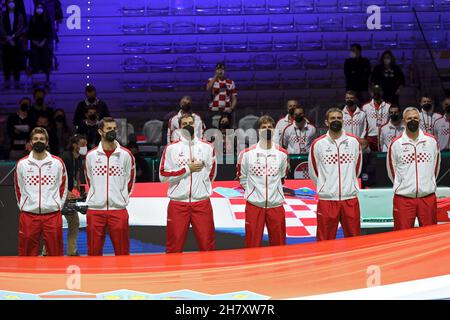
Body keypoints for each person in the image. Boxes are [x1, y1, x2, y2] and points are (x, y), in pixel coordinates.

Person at [159, 114, 217, 253]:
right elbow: (163, 175)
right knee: (174, 247)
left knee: (207, 245)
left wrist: (202, 187)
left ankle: (209, 274)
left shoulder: (207, 147)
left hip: (201, 203)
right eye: (185, 123)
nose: (188, 125)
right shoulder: (171, 148)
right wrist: (187, 170)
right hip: (178, 204)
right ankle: (173, 273)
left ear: (196, 124)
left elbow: (211, 173)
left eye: (191, 122)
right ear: (180, 127)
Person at [308, 108, 362, 241]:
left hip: (349, 198)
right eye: (333, 118)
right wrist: (325, 187)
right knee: (324, 240)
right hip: (327, 200)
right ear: (326, 122)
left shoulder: (354, 142)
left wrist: (349, 184)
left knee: (354, 239)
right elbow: (313, 171)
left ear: (343, 121)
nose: (336, 121)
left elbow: (357, 168)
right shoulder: (318, 144)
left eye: (339, 118)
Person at [84, 117, 135, 256]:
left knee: (122, 252)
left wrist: (121, 197)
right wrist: (97, 196)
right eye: (108, 129)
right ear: (100, 131)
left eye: (114, 128)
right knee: (93, 252)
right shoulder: (91, 156)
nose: (112, 131)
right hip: (95, 210)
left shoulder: (126, 155)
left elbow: (130, 181)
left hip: (118, 209)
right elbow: (90, 180)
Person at [14, 127, 67, 256]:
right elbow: (18, 188)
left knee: (55, 254)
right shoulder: (22, 164)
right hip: (29, 215)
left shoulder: (57, 163)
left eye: (42, 139)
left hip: (52, 214)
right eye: (36, 139)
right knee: (26, 255)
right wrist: (23, 206)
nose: (39, 141)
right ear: (31, 142)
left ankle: (56, 277)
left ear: (47, 142)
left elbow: (63, 187)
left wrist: (58, 205)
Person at [237, 115, 289, 248]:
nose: (267, 130)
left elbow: (282, 177)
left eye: (269, 127)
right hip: (254, 205)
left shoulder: (283, 153)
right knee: (252, 245)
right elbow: (243, 179)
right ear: (258, 131)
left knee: (279, 245)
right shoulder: (246, 154)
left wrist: (273, 192)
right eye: (263, 127)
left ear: (274, 130)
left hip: (276, 205)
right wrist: (254, 192)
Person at [387, 107, 441, 230]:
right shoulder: (396, 144)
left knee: (430, 237)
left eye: (415, 118)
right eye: (409, 118)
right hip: (403, 199)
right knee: (402, 238)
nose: (413, 120)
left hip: (427, 197)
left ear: (420, 120)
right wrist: (403, 185)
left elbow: (435, 167)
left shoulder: (431, 141)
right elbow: (392, 170)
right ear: (404, 121)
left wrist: (427, 183)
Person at [58, 134, 87, 256]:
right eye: (82, 145)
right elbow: (57, 177)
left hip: (69, 196)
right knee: (54, 224)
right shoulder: (65, 157)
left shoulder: (79, 158)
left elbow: (76, 176)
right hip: (59, 195)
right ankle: (46, 251)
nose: (85, 147)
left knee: (74, 221)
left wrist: (79, 189)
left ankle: (72, 251)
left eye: (85, 145)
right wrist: (65, 192)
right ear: (75, 145)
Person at [1, 0, 25, 89]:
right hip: (6, 41)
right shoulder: (3, 14)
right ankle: (7, 80)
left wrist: (14, 36)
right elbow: (1, 27)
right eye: (9, 2)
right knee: (6, 61)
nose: (11, 4)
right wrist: (7, 37)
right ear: (7, 4)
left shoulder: (19, 14)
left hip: (16, 42)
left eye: (13, 2)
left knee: (16, 61)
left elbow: (21, 27)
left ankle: (17, 80)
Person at [28, 2, 53, 86]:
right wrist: (34, 41)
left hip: (44, 42)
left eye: (40, 8)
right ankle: (35, 76)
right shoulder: (32, 19)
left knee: (45, 56)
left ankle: (46, 77)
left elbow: (49, 31)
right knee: (34, 55)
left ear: (43, 9)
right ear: (35, 9)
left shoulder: (47, 18)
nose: (39, 9)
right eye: (37, 8)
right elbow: (30, 32)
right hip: (34, 42)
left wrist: (43, 42)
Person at [361, 85, 390, 152]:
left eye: (378, 92)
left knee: (384, 158)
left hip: (385, 136)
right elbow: (363, 124)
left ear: (382, 92)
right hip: (371, 136)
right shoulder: (365, 107)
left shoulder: (388, 106)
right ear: (371, 93)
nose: (376, 94)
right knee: (372, 159)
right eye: (374, 92)